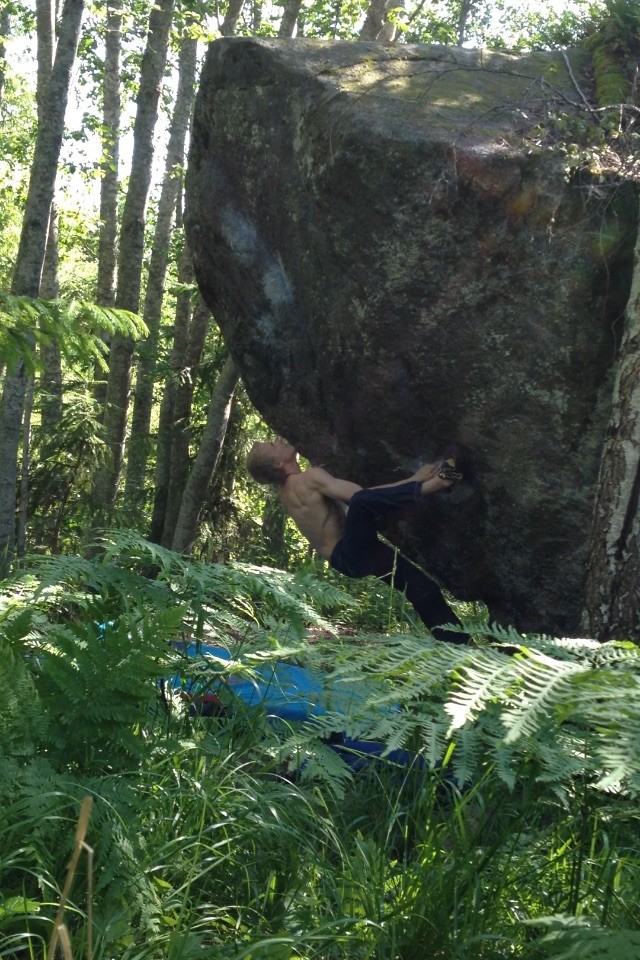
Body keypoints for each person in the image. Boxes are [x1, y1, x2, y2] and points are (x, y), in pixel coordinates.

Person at [246, 439, 469, 644]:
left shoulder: (286, 493)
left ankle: (461, 645)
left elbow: (368, 498)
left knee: (421, 588)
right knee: (361, 502)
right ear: (278, 463)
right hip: (351, 550)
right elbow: (362, 497)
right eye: (272, 445)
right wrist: (417, 480)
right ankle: (440, 483)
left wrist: (414, 479)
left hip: (350, 557)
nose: (278, 441)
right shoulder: (309, 478)